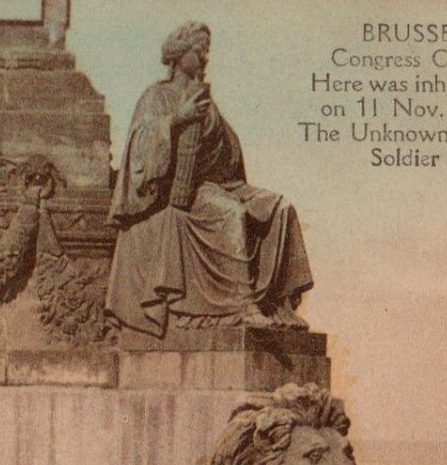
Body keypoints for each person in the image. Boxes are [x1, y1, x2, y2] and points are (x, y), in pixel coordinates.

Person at [106, 21, 314, 337]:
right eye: (199, 51)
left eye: (206, 52)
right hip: (172, 193)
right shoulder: (156, 96)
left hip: (214, 185)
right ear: (178, 56)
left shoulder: (206, 100)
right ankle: (239, 305)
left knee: (279, 208)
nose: (204, 58)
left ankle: (279, 303)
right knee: (232, 213)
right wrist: (177, 120)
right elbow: (139, 149)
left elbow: (227, 155)